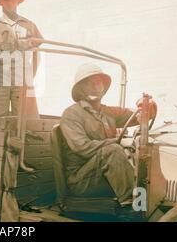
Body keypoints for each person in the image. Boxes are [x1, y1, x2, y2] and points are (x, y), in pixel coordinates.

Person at [59, 63, 157, 205]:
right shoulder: (71, 114)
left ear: (104, 87)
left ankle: (145, 203)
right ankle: (135, 206)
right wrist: (116, 142)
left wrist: (147, 108)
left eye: (98, 82)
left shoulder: (108, 112)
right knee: (113, 150)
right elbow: (83, 148)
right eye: (88, 83)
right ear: (80, 89)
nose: (94, 86)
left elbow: (135, 115)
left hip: (105, 174)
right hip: (81, 181)